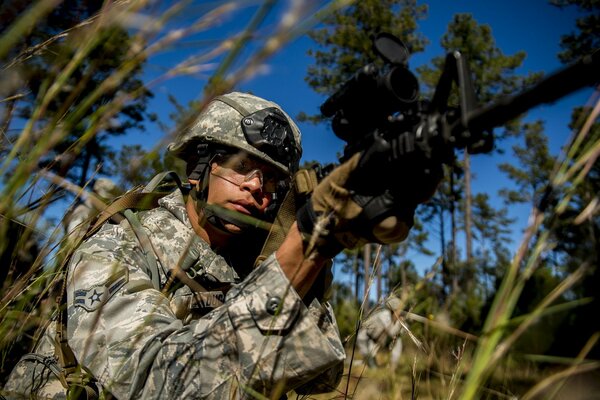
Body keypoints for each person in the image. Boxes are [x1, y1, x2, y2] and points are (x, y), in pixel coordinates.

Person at [3, 91, 431, 399]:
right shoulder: (120, 246)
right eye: (243, 167)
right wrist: (309, 243)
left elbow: (319, 379)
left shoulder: (250, 262)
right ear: (199, 167)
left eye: (272, 180)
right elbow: (161, 384)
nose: (257, 187)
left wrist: (310, 252)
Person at [356, 296, 404, 368]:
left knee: (398, 340)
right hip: (364, 338)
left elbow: (400, 332)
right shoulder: (385, 314)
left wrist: (400, 323)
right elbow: (391, 332)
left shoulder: (392, 316)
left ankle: (392, 366)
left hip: (375, 340)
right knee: (371, 365)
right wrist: (399, 324)